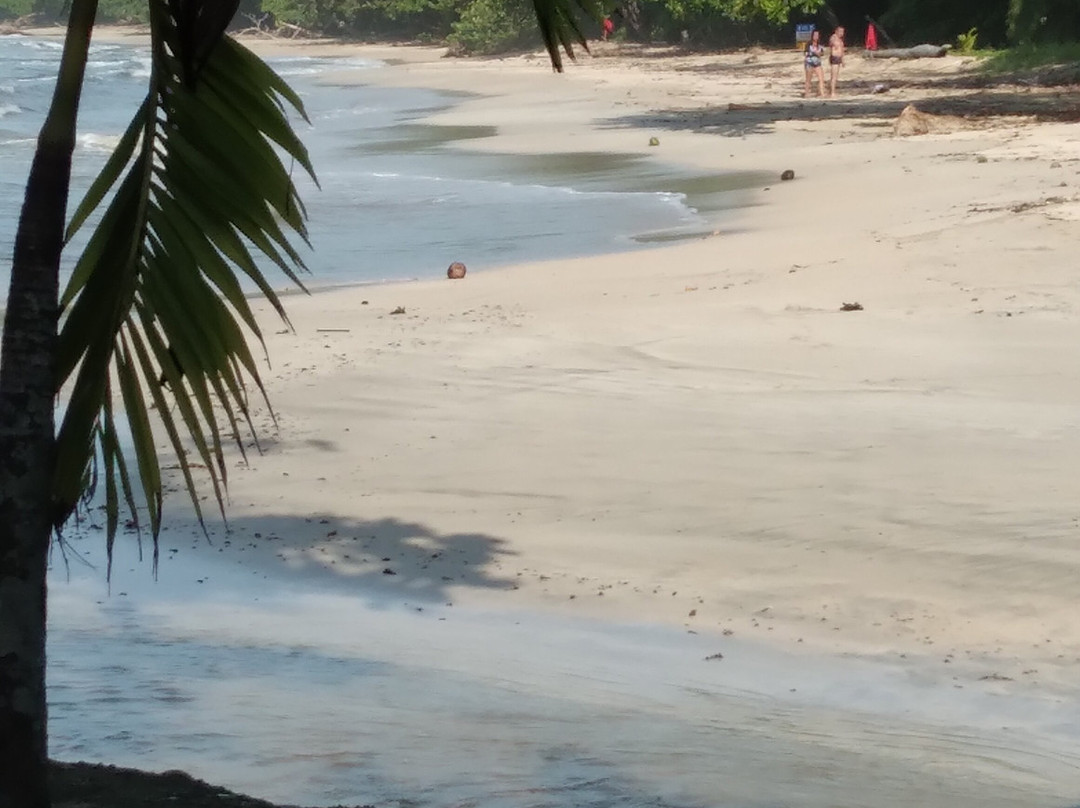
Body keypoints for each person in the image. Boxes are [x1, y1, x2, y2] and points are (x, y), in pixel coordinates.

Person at [803, 29, 825, 98]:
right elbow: (805, 53)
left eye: (817, 35)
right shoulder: (808, 44)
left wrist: (819, 54)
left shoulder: (820, 44)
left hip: (817, 62)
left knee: (821, 78)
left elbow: (822, 52)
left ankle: (822, 93)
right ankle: (806, 93)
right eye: (815, 35)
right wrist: (813, 53)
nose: (816, 37)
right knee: (808, 79)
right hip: (809, 62)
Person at [829, 26, 846, 98]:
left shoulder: (840, 40)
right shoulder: (834, 37)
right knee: (834, 76)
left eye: (843, 32)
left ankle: (833, 91)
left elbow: (842, 50)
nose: (842, 33)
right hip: (835, 58)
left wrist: (842, 60)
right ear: (836, 31)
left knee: (835, 76)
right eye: (840, 31)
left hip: (838, 58)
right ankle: (832, 92)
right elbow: (831, 44)